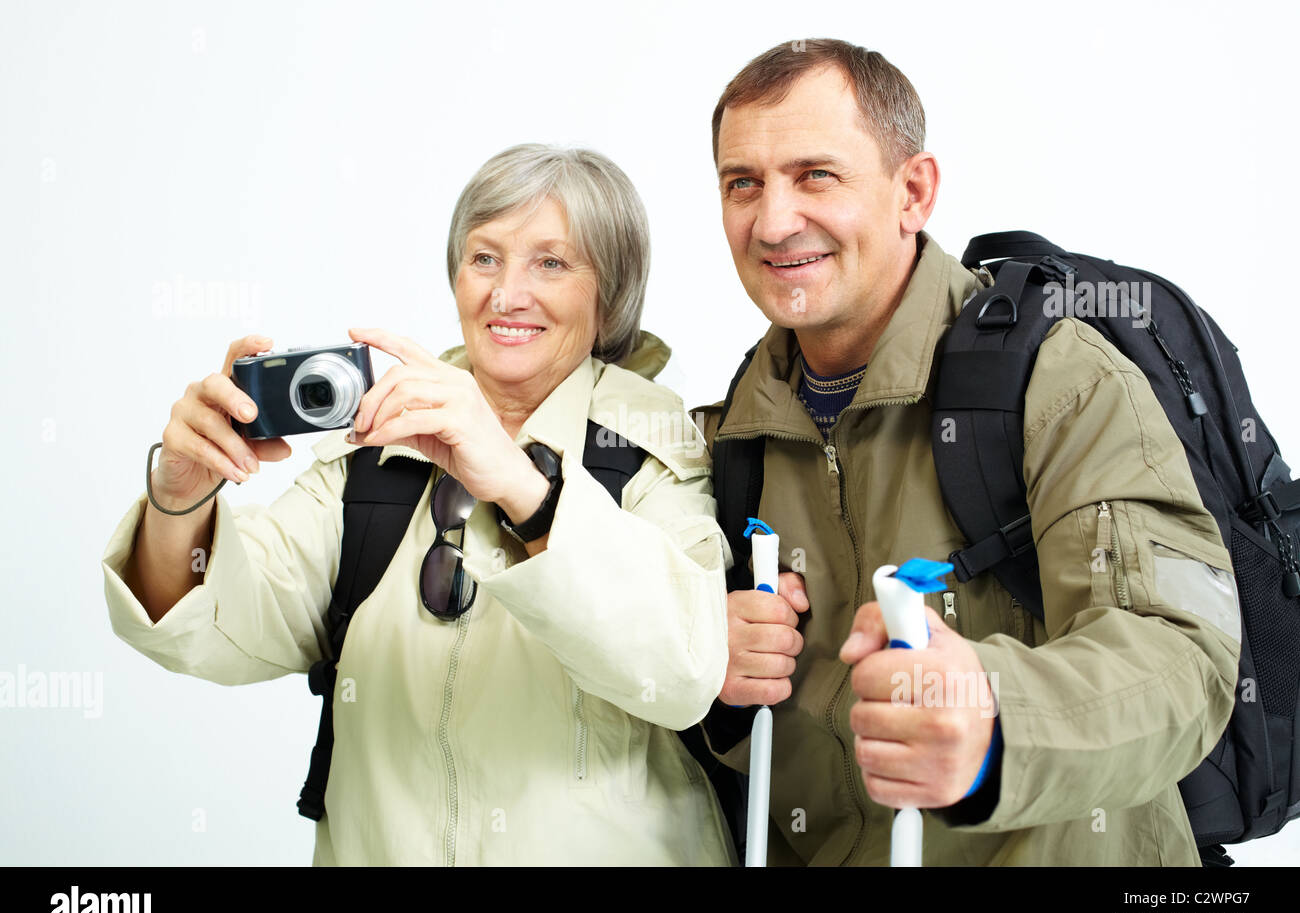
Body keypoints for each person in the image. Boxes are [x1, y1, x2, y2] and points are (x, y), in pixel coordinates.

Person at [101, 143, 736, 866]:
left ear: (610, 292)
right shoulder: (376, 454)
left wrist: (521, 485)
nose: (506, 295)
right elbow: (208, 629)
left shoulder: (654, 447)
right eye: (485, 258)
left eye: (551, 263)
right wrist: (182, 497)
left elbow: (684, 671)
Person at [696, 39, 1243, 865]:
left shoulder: (1059, 378)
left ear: (912, 191)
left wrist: (994, 722)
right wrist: (715, 686)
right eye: (744, 182)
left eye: (815, 175)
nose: (772, 222)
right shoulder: (735, 429)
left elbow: (1180, 659)